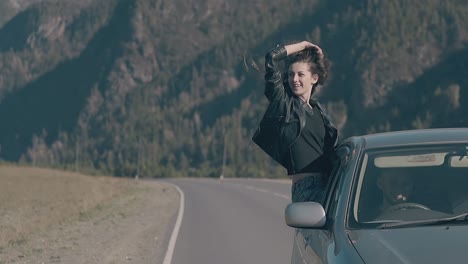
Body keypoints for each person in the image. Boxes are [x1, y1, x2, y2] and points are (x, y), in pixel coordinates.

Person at [252, 41, 338, 203]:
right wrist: (304, 45)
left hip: (329, 184)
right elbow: (271, 58)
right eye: (291, 74)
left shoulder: (319, 112)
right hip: (307, 188)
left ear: (314, 79)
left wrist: (317, 57)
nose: (294, 79)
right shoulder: (284, 105)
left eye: (300, 74)